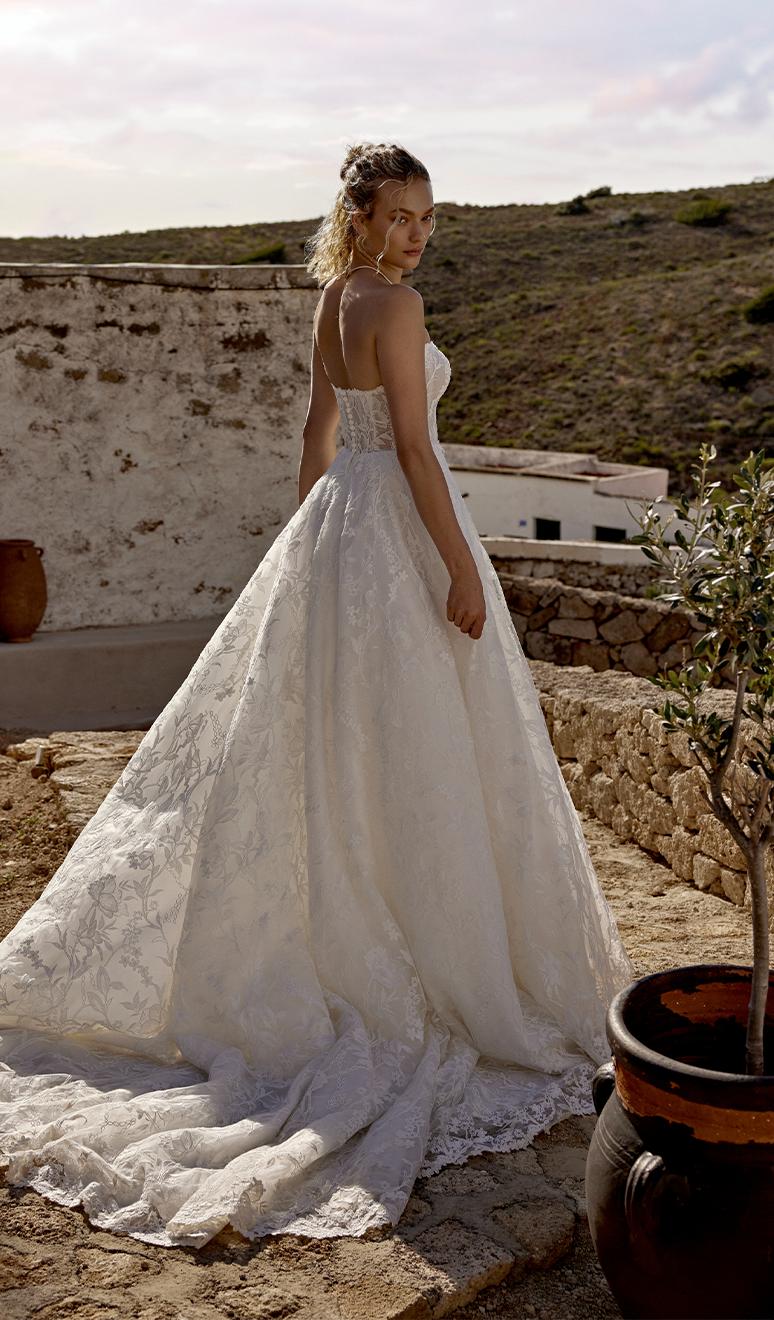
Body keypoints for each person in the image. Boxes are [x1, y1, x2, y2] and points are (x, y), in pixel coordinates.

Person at [0, 141, 634, 1249]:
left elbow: (319, 438)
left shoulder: (335, 297)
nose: (418, 235)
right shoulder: (389, 302)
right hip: (392, 531)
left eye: (429, 218)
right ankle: (425, 944)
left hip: (340, 533)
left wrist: (303, 552)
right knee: (416, 747)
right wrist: (456, 570)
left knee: (348, 747)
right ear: (364, 215)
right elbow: (423, 456)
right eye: (400, 216)